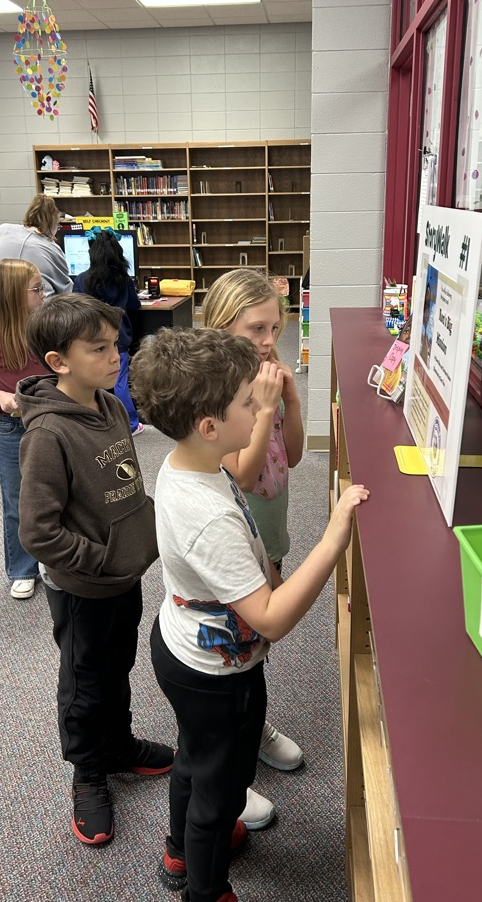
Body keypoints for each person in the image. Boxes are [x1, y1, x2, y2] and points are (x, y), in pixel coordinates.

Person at [130, 326, 369, 902]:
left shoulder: (190, 460)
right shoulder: (205, 513)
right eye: (246, 402)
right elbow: (270, 619)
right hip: (214, 671)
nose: (256, 404)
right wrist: (333, 537)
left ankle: (180, 848)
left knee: (197, 759)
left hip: (194, 648)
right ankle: (204, 888)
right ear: (210, 427)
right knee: (220, 787)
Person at [15, 293, 173, 847]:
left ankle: (120, 745)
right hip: (85, 587)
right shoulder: (48, 434)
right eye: (99, 348)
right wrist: (101, 562)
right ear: (59, 362)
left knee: (117, 667)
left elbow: (119, 481)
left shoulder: (108, 406)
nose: (116, 357)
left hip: (123, 578)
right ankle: (88, 772)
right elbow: (37, 531)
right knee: (84, 685)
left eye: (116, 345)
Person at [202, 268, 304, 830]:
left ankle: (254, 727)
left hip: (272, 533)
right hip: (234, 546)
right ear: (222, 327)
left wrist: (287, 398)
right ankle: (229, 772)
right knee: (229, 658)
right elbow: (240, 473)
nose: (268, 341)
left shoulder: (267, 381)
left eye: (275, 328)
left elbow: (294, 455)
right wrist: (264, 406)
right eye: (255, 328)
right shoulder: (218, 392)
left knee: (256, 648)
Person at [0, 259, 50, 599]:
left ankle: (54, 560)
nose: (44, 295)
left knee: (56, 495)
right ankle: (22, 568)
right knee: (17, 501)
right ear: (14, 295)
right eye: (36, 290)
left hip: (50, 423)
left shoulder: (46, 327)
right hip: (11, 429)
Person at [72, 227, 143, 435]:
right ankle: (130, 424)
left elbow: (76, 306)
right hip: (118, 338)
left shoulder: (83, 279)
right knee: (120, 382)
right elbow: (134, 305)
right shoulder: (124, 279)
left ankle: (95, 421)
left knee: (92, 378)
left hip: (91, 338)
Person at [0, 193, 72, 296]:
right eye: (58, 226)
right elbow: (65, 290)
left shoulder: (3, 230)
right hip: (39, 310)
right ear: (52, 224)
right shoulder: (51, 247)